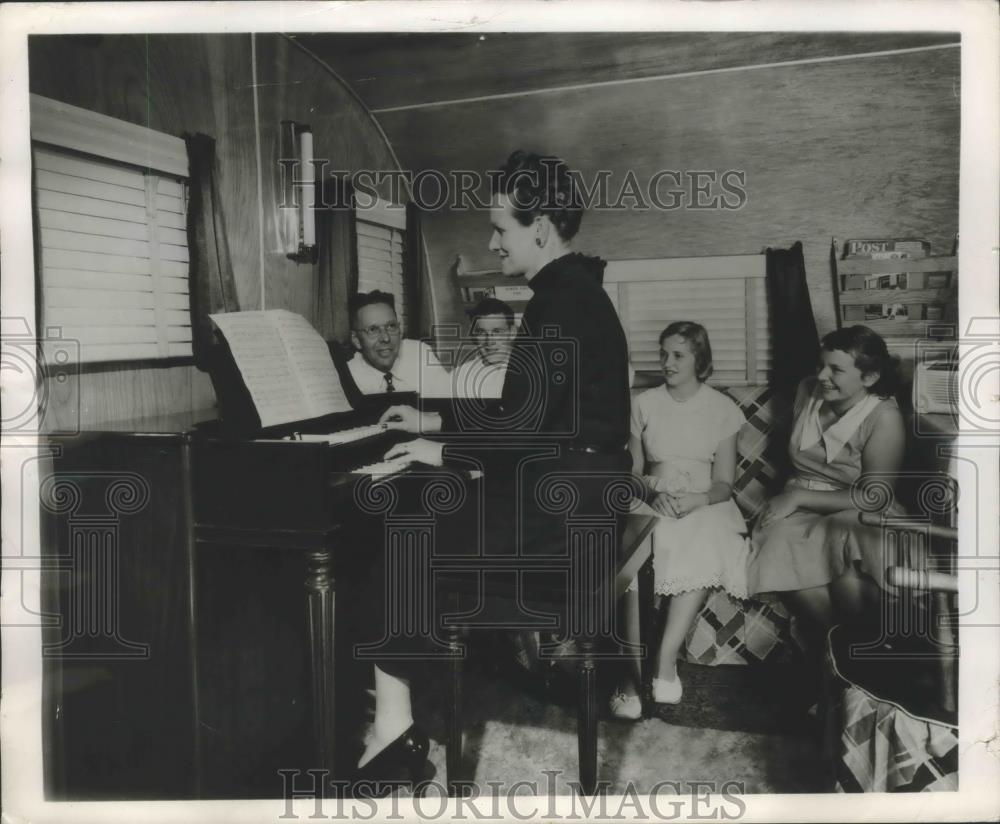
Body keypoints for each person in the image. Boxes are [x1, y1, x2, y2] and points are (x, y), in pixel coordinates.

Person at [351, 150, 632, 789]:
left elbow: (523, 427)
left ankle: (391, 726)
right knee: (427, 520)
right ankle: (404, 713)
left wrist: (440, 450)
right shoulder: (575, 292)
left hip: (561, 515)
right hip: (582, 498)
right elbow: (524, 414)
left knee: (404, 537)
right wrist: (434, 426)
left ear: (541, 227)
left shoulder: (558, 302)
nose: (491, 242)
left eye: (500, 228)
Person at [610, 322, 749, 719]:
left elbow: (725, 483)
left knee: (705, 537)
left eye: (678, 355)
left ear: (699, 360)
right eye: (663, 354)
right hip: (653, 495)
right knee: (634, 551)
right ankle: (631, 674)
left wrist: (696, 499)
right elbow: (632, 472)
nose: (667, 363)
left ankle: (665, 662)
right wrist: (653, 493)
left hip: (703, 501)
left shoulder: (723, 409)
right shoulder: (645, 403)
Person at [745, 325, 906, 643]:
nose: (821, 375)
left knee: (847, 563)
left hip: (855, 505)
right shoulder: (808, 389)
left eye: (836, 369)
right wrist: (796, 498)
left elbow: (875, 496)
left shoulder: (884, 417)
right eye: (820, 365)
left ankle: (855, 660)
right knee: (782, 550)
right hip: (799, 504)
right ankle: (846, 657)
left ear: (869, 377)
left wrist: (799, 497)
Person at [346, 290, 450, 396]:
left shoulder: (420, 353)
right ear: (356, 340)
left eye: (391, 326)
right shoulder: (347, 377)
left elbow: (450, 403)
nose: (386, 338)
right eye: (373, 330)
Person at [449, 297, 517, 400]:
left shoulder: (529, 372)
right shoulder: (459, 376)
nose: (489, 341)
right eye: (482, 332)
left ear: (512, 332)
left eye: (497, 331)